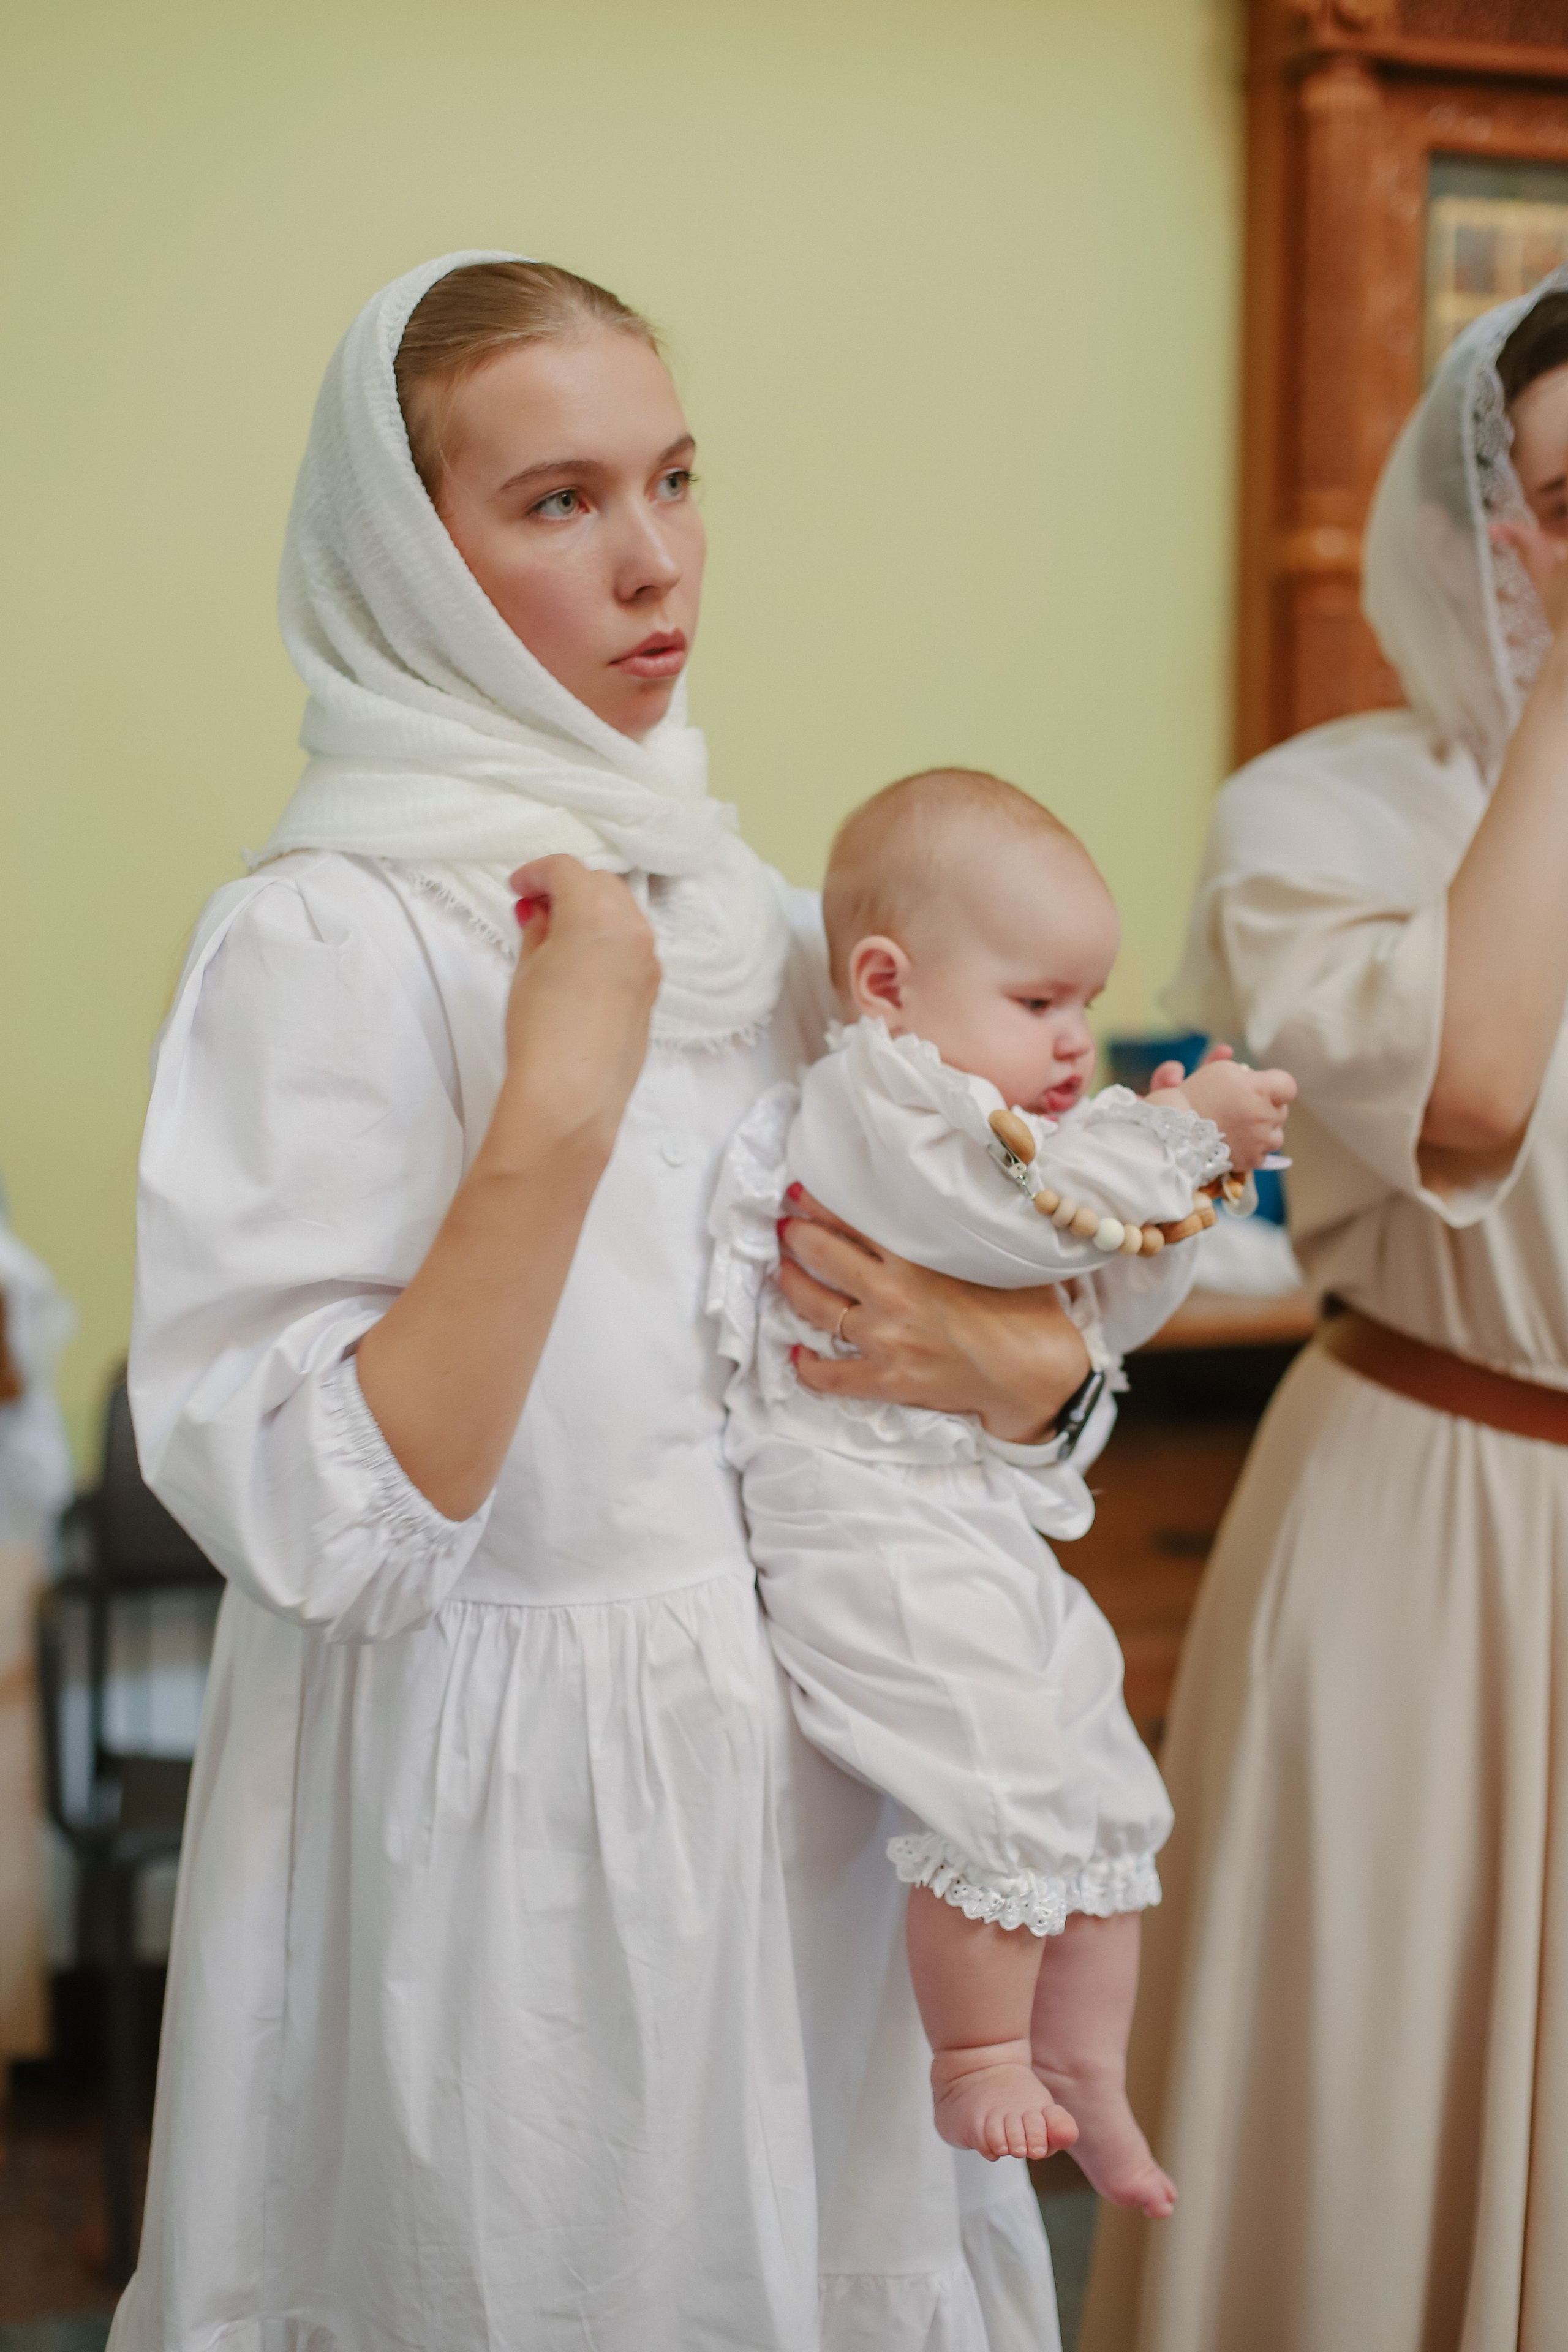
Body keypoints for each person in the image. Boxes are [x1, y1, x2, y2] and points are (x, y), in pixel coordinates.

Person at [108, 253, 1103, 2352]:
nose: (655, 562)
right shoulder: (326, 940)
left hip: (814, 1831)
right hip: (511, 1869)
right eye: (558, 501)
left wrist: (1029, 1371)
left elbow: (995, 1332)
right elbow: (330, 1528)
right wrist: (554, 1105)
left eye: (672, 478)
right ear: (412, 559)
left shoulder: (762, 921)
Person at [1082, 271, 1568, 2352]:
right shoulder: (1323, 812)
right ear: (1485, 537)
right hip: (1437, 1526)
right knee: (1371, 2128)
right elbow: (1471, 1097)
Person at [710, 766, 1294, 2208]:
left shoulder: (1013, 1133)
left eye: (1083, 1002)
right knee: (992, 1766)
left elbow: (1095, 1308)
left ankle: (1085, 2071)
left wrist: (1174, 1204)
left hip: (964, 1506)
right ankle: (975, 2053)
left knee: (1096, 1764)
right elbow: (1003, 1226)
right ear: (886, 984)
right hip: (858, 1511)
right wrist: (1167, 1146)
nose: (1074, 1036)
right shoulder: (881, 1102)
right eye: (1037, 1001)